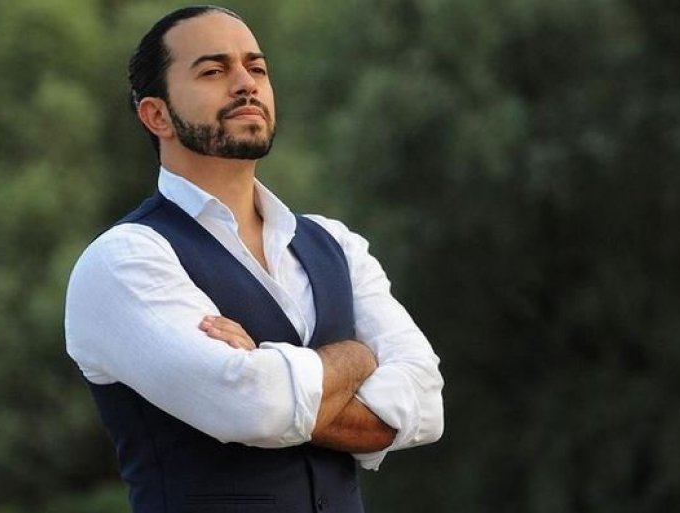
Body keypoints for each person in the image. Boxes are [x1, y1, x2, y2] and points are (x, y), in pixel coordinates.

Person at [64, 5, 444, 513]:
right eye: (213, 71)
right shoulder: (123, 260)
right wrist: (358, 357)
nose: (246, 84)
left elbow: (426, 404)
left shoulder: (337, 245)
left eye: (257, 68)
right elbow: (254, 407)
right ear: (157, 115)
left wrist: (270, 370)